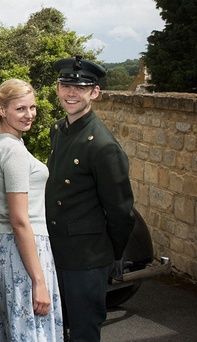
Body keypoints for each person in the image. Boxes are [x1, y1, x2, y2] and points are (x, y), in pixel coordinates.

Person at [46, 56, 135, 341]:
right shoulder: (59, 130)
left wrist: (113, 254)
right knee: (59, 328)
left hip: (86, 258)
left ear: (94, 92)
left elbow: (121, 211)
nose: (71, 93)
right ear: (58, 89)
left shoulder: (103, 146)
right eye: (65, 85)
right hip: (56, 251)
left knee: (83, 332)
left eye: (81, 87)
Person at [0, 78, 64, 341]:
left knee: (7, 331)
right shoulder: (14, 151)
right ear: (1, 109)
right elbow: (19, 220)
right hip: (24, 250)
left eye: (32, 108)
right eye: (20, 109)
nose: (29, 115)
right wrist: (39, 281)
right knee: (31, 334)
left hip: (4, 246)